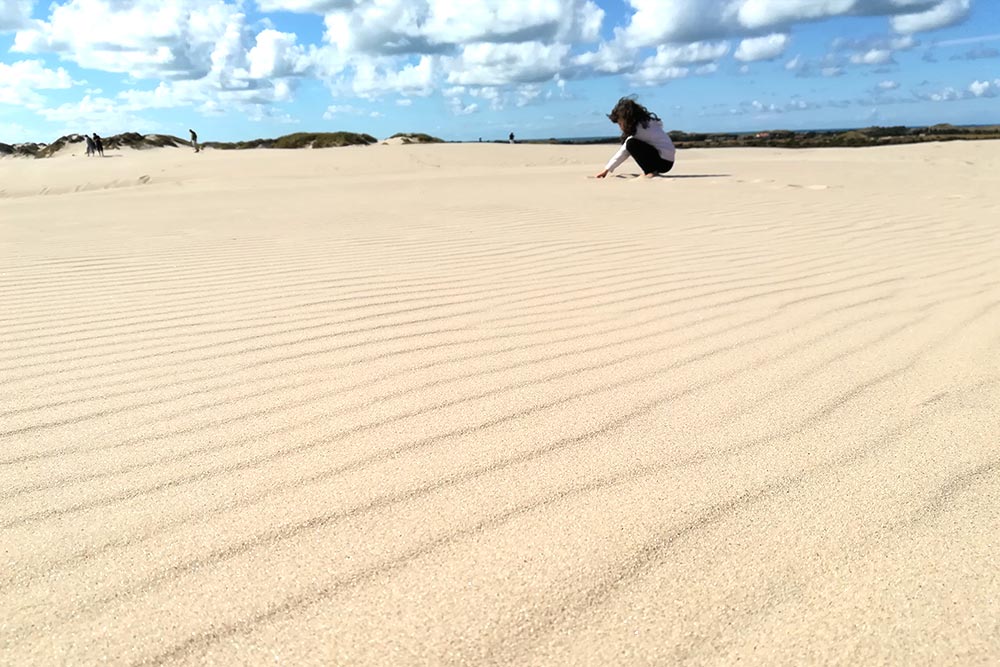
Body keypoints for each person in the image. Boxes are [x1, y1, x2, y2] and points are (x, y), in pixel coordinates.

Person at [595, 97, 675, 178]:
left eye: (620, 124)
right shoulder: (648, 124)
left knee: (631, 144)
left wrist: (606, 170)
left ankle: (650, 171)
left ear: (626, 119)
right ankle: (651, 170)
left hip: (663, 162)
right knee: (631, 143)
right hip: (668, 161)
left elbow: (623, 152)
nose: (620, 127)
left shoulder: (640, 130)